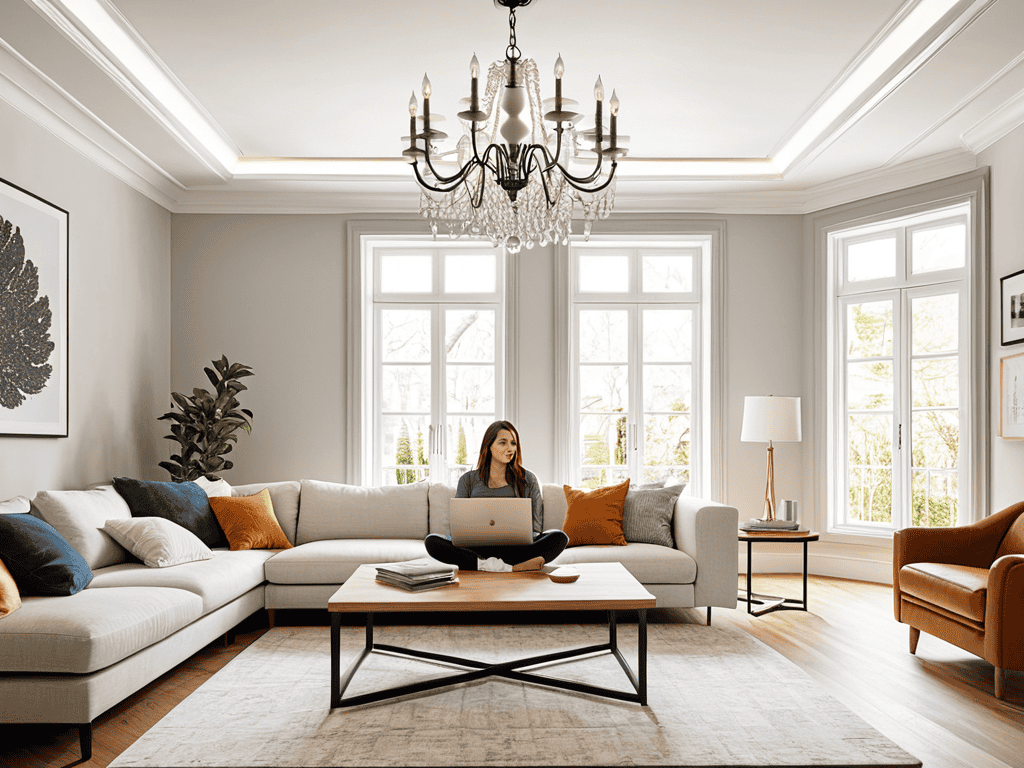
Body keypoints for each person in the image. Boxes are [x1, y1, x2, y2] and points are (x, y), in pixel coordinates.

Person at [425, 420, 568, 571]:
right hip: (476, 548)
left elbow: (536, 529)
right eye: (503, 443)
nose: (510, 449)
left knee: (559, 537)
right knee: (432, 541)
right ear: (489, 446)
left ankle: (482, 565)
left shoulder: (528, 479)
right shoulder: (468, 480)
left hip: (516, 548)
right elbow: (458, 528)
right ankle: (508, 566)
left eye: (513, 443)